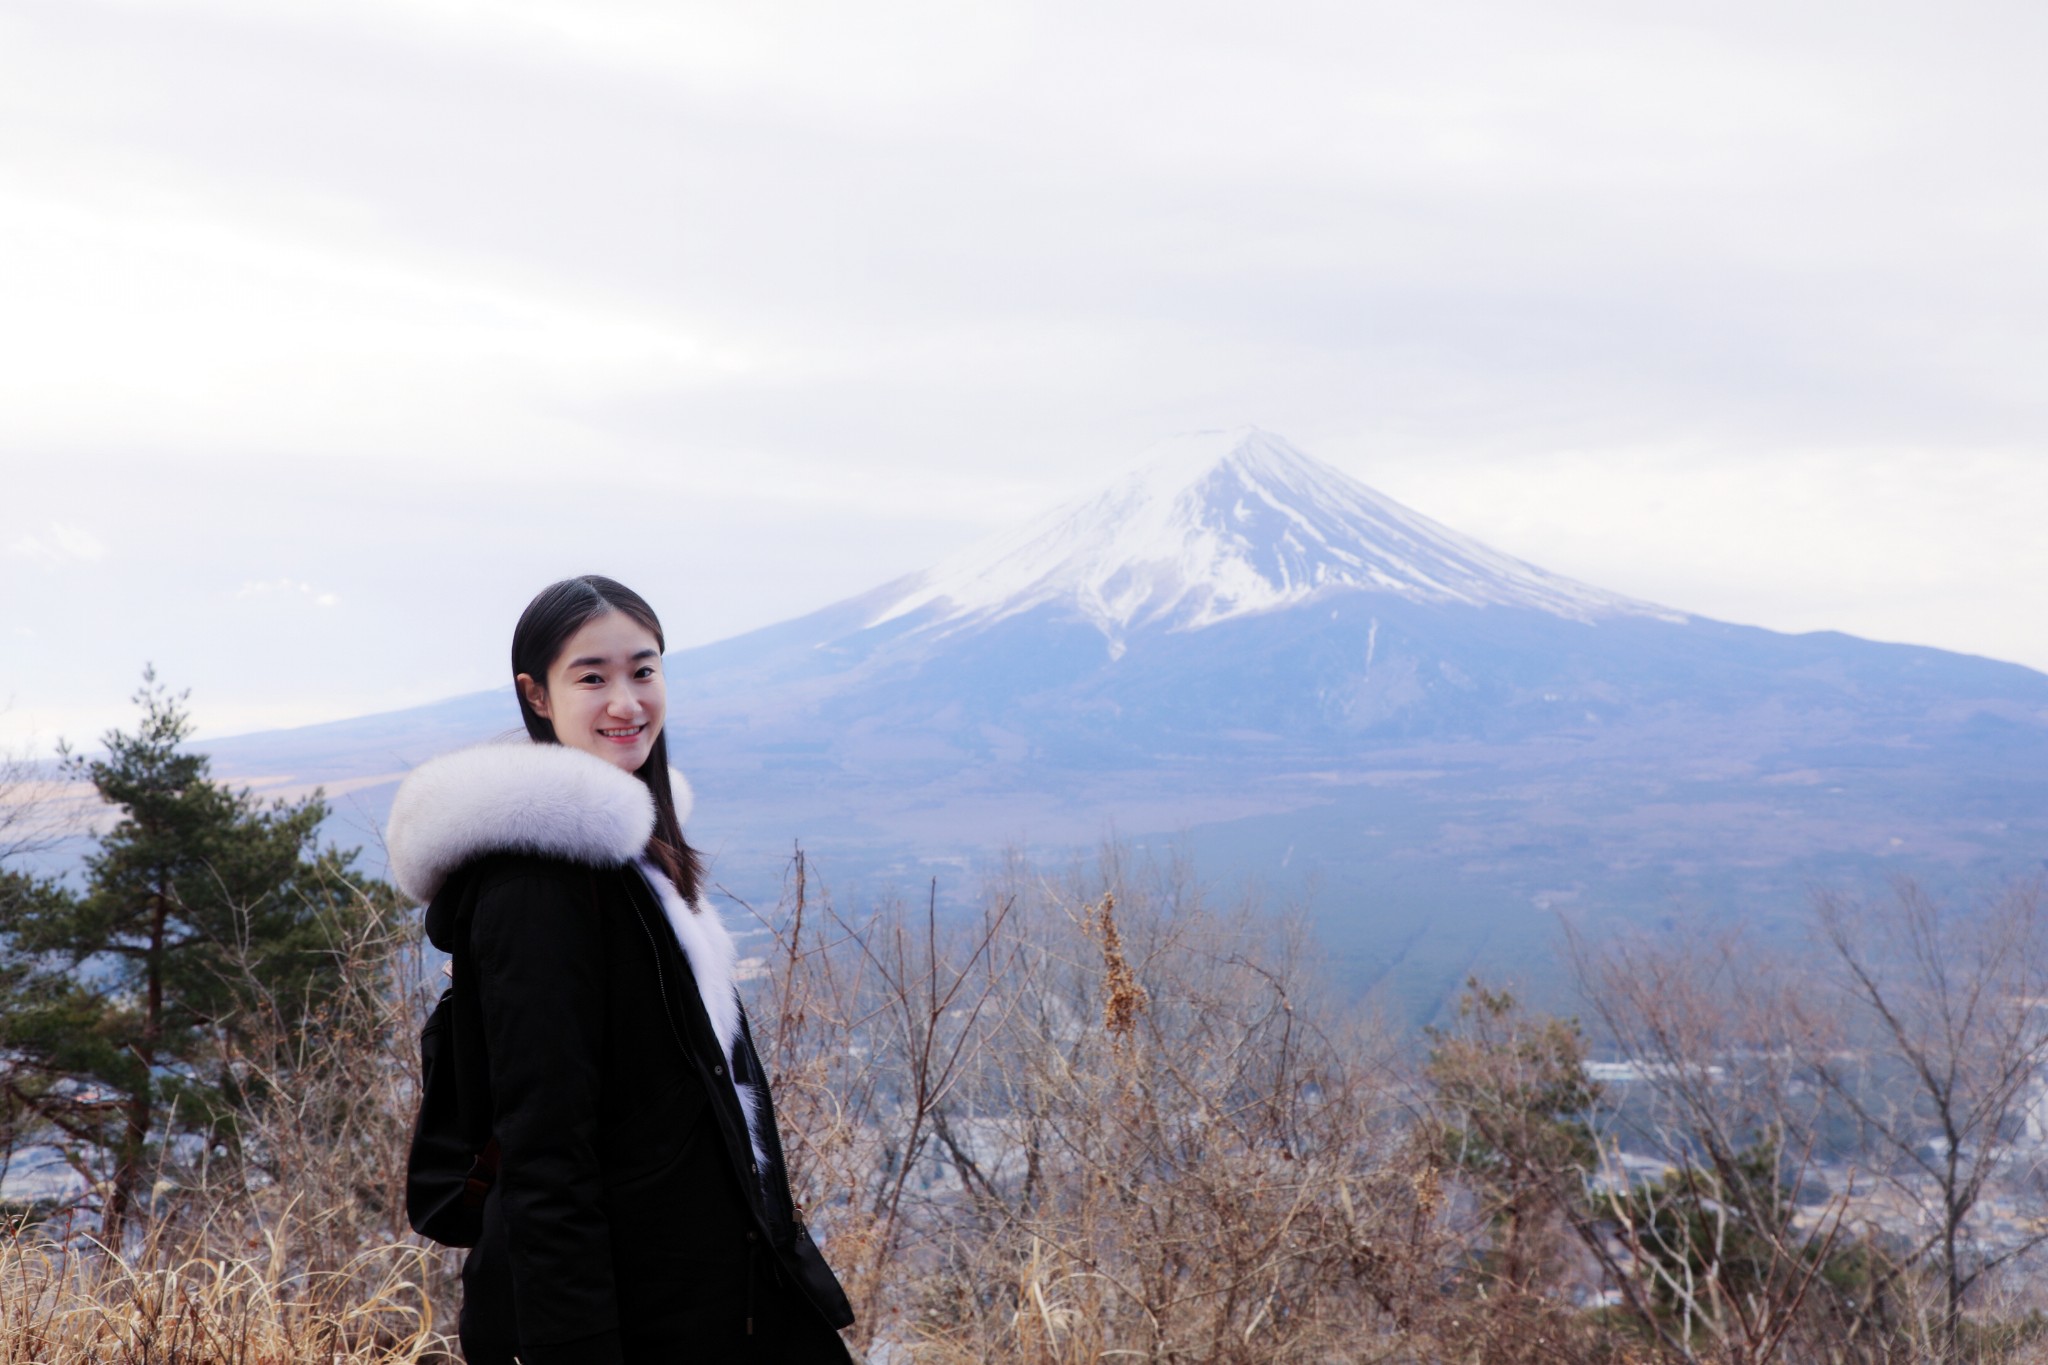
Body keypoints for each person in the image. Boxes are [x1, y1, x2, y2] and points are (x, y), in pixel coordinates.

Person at [385, 575, 854, 1364]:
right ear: (536, 695)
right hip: (628, 1320)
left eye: (643, 669)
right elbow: (544, 1148)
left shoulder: (633, 856)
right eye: (592, 676)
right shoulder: (540, 885)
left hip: (707, 1296)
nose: (626, 701)